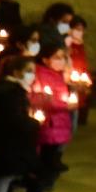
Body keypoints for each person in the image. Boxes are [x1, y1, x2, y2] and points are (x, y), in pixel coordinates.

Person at [0, 56, 48, 192]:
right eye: (28, 71)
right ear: (15, 72)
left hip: (12, 138)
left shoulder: (14, 89)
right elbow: (12, 118)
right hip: (8, 139)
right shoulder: (10, 92)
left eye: (33, 72)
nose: (32, 75)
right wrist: (33, 123)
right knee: (5, 174)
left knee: (9, 173)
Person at [30, 43, 73, 180]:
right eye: (57, 57)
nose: (61, 61)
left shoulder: (57, 75)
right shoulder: (40, 75)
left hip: (59, 122)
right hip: (49, 123)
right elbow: (40, 99)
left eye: (63, 57)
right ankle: (37, 189)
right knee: (45, 159)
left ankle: (44, 184)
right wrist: (65, 106)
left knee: (52, 157)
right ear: (45, 59)